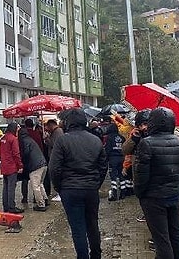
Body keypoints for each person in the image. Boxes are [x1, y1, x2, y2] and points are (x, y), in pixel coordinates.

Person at [49, 108, 108, 259]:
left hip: (70, 190)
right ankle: (96, 255)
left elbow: (54, 167)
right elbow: (103, 166)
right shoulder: (95, 140)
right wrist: (96, 184)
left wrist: (59, 187)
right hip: (90, 189)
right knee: (92, 225)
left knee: (78, 228)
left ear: (68, 122)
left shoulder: (62, 140)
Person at [133, 107, 179, 259]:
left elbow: (140, 175)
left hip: (153, 198)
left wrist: (140, 194)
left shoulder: (146, 144)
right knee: (175, 235)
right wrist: (176, 188)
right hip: (173, 195)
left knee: (161, 239)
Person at [122, 109, 151, 200]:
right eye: (140, 125)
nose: (143, 128)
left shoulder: (158, 135)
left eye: (145, 124)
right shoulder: (136, 135)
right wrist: (133, 139)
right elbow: (125, 150)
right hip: (139, 175)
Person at [18, 128, 49, 211]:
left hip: (35, 166)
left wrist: (22, 163)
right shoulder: (30, 139)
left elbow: (26, 154)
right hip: (43, 164)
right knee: (40, 184)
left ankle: (41, 205)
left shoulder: (24, 141)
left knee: (35, 186)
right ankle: (45, 199)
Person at [0, 122, 24, 214]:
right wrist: (20, 165)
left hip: (4, 166)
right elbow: (16, 154)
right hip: (11, 166)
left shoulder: (3, 138)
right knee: (11, 188)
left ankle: (6, 207)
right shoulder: (13, 139)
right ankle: (12, 207)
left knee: (5, 187)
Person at [103, 121, 126, 201]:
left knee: (113, 176)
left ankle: (114, 193)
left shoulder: (108, 137)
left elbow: (107, 149)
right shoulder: (122, 138)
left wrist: (105, 159)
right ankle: (123, 193)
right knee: (121, 175)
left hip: (113, 159)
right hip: (122, 158)